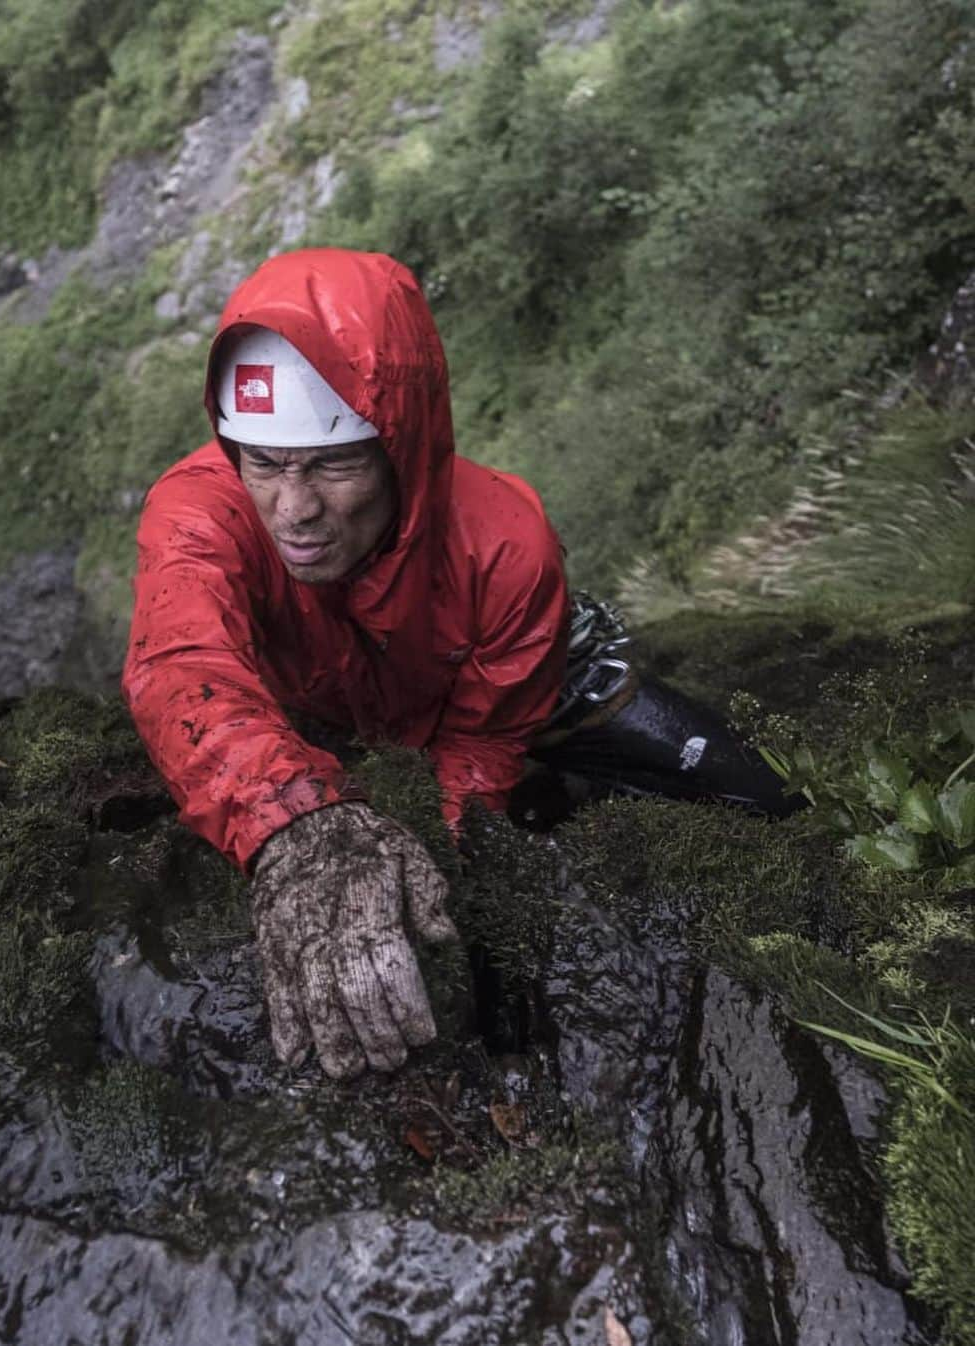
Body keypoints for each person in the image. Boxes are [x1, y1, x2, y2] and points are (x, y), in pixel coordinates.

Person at [123, 247, 797, 1082]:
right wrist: (295, 824)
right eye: (263, 463)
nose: (292, 511)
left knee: (760, 794)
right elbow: (181, 661)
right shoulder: (198, 512)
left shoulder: (505, 543)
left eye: (331, 464)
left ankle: (570, 787)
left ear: (400, 447)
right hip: (325, 711)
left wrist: (444, 844)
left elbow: (483, 743)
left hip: (506, 686)